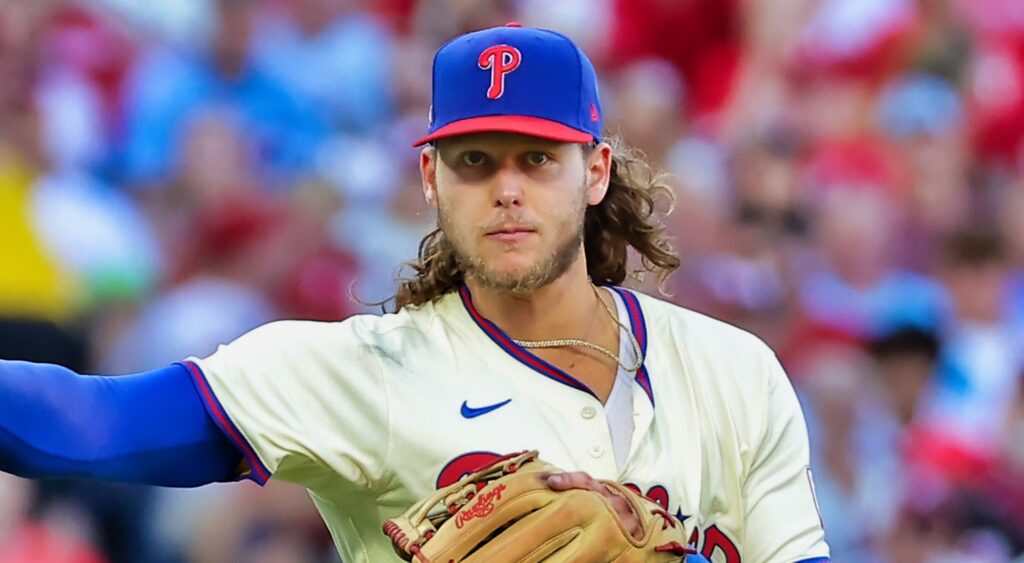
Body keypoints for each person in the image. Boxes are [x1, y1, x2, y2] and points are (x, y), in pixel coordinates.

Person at [0, 24, 830, 563]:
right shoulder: (366, 372)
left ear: (596, 172)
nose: (507, 189)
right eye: (476, 160)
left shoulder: (736, 372)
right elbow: (91, 421)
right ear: (431, 177)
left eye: (537, 158)